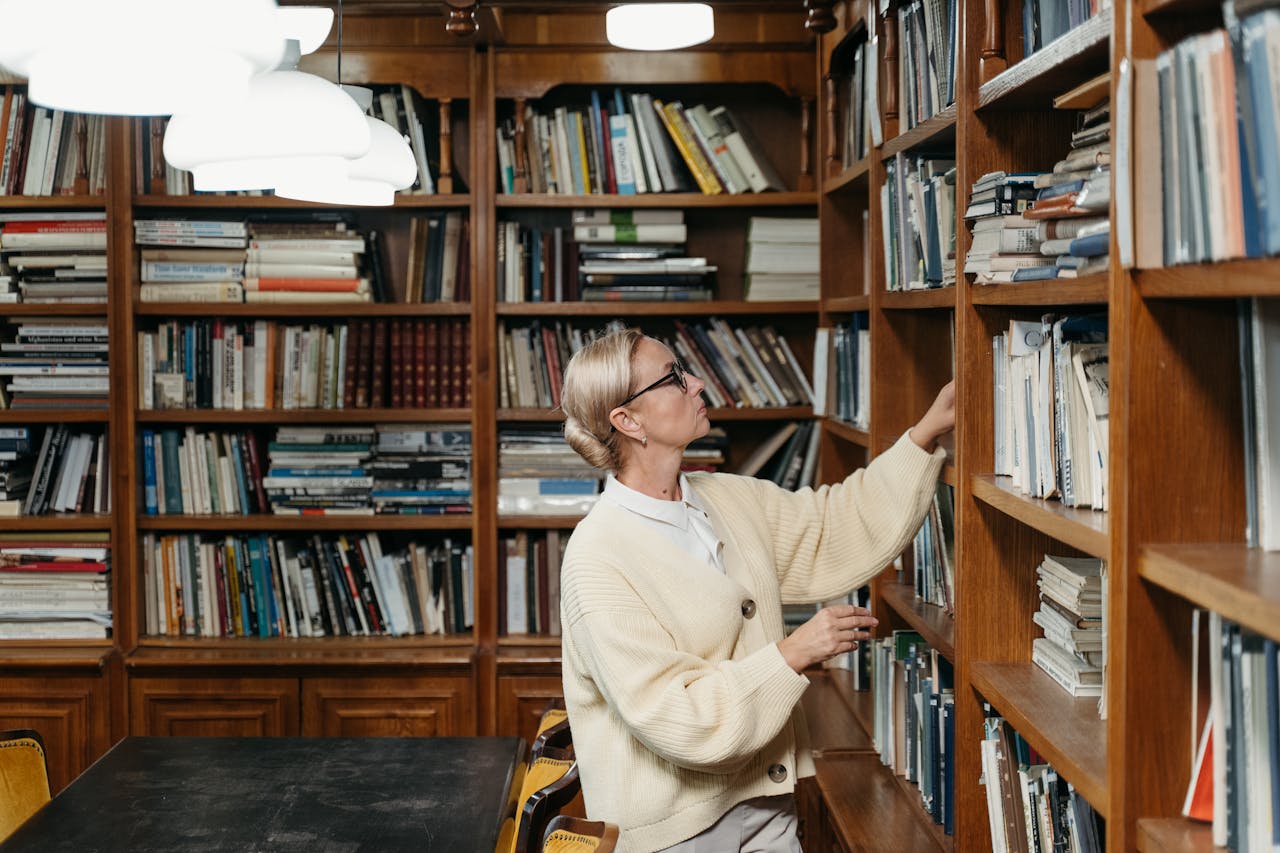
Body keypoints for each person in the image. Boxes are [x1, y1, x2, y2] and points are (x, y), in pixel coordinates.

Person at [558, 327, 955, 853]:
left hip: (768, 803)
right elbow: (677, 718)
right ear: (628, 421)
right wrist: (793, 653)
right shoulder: (597, 559)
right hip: (676, 834)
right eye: (675, 378)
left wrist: (926, 432)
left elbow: (835, 524)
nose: (698, 383)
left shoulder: (727, 499)